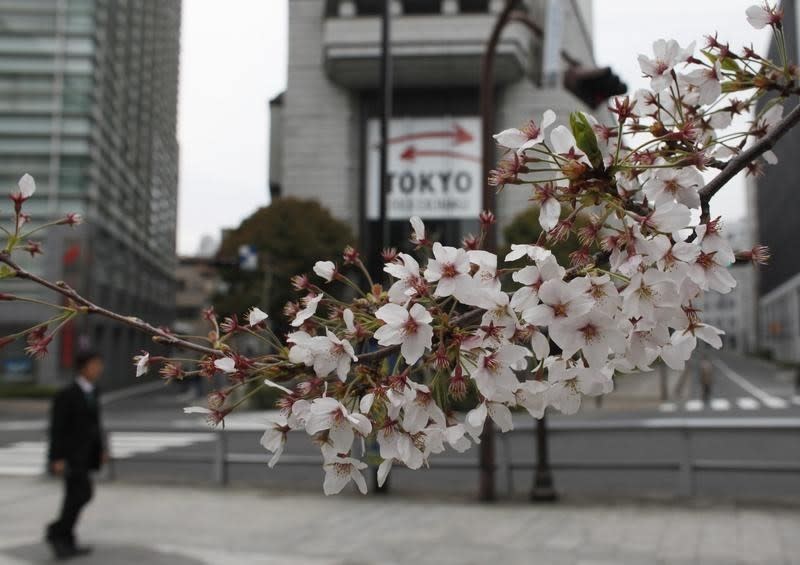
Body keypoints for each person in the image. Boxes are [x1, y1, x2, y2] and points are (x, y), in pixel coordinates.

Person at [45, 350, 108, 560]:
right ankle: (57, 533)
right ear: (83, 367)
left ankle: (66, 538)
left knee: (78, 496)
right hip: (71, 456)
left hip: (87, 455)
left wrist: (102, 450)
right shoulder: (66, 394)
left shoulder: (93, 391)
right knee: (79, 495)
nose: (99, 368)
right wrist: (56, 458)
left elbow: (96, 425)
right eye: (95, 364)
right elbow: (57, 428)